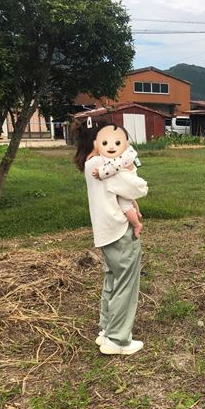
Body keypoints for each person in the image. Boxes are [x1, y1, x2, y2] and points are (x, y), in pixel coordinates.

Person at [74, 122, 148, 355]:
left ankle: (107, 330)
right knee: (126, 283)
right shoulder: (101, 164)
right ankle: (118, 339)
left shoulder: (89, 163)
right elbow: (139, 188)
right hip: (119, 231)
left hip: (105, 232)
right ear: (97, 141)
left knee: (113, 280)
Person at [91, 129, 144, 238]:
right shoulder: (129, 150)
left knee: (124, 204)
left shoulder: (122, 155)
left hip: (128, 180)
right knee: (130, 198)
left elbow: (114, 167)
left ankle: (137, 224)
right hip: (130, 180)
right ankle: (137, 212)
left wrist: (101, 172)